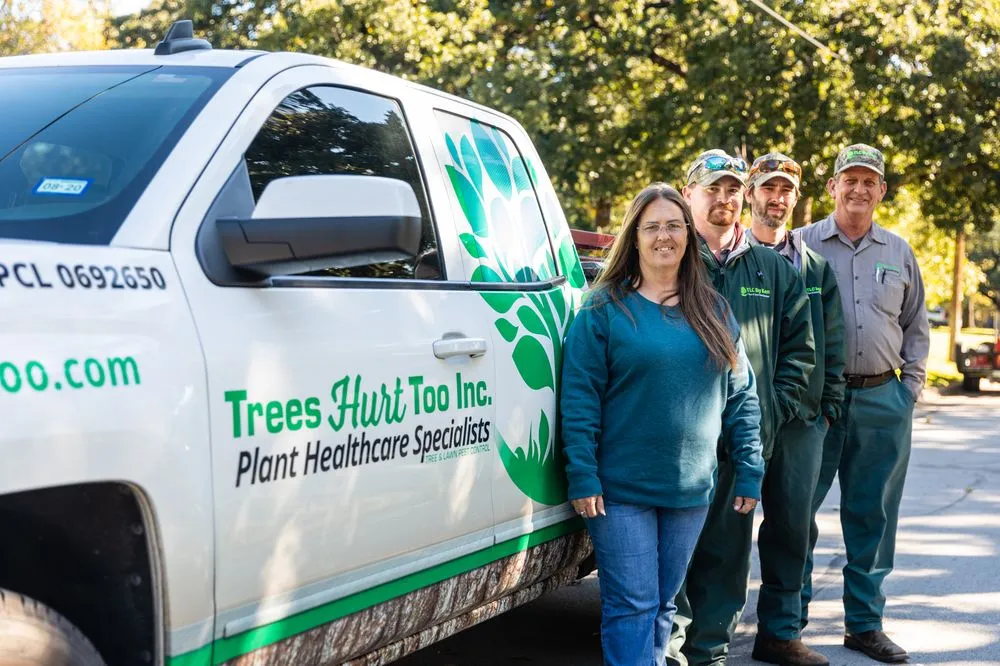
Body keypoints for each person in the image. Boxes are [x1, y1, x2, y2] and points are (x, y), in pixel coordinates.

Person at [561, 182, 765, 666]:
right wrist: (582, 472)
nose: (663, 236)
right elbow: (579, 397)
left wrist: (751, 466)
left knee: (662, 607)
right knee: (632, 605)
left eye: (674, 225)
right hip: (620, 490)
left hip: (690, 490)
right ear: (634, 238)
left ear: (688, 237)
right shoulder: (603, 308)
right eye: (651, 227)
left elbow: (742, 396)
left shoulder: (713, 310)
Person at [668, 149, 815, 666]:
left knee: (726, 561)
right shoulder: (669, 262)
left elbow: (802, 349)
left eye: (732, 190)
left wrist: (773, 408)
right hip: (678, 444)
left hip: (743, 445)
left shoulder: (773, 269)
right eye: (713, 190)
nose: (724, 200)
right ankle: (671, 654)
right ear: (688, 196)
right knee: (673, 561)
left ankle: (709, 654)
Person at [799, 144, 929, 664]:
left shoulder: (899, 252)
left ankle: (864, 625)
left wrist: (909, 389)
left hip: (882, 399)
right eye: (848, 179)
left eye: (868, 181)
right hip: (816, 403)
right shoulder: (800, 244)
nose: (857, 189)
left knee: (873, 515)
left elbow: (917, 325)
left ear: (881, 191)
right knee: (796, 512)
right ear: (831, 187)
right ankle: (787, 624)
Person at [743, 153, 847, 666]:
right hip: (736, 418)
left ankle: (780, 633)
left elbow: (831, 343)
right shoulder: (727, 260)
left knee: (793, 527)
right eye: (768, 188)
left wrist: (825, 409)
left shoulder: (814, 268)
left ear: (796, 198)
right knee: (722, 525)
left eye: (786, 189)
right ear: (750, 193)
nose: (776, 198)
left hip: (801, 423)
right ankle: (704, 633)